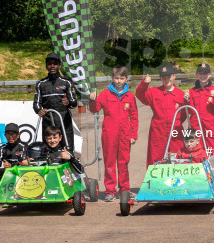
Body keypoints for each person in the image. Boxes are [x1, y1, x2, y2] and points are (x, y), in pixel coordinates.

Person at [89, 66, 139, 202]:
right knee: (109, 162)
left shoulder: (130, 95)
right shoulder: (105, 94)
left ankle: (125, 189)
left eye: (121, 78)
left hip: (125, 134)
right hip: (109, 133)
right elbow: (95, 109)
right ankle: (110, 190)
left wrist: (133, 134)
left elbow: (134, 116)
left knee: (124, 162)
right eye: (116, 78)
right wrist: (92, 100)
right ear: (112, 78)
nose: (118, 81)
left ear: (126, 79)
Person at [136, 64, 186, 166]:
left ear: (174, 76)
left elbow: (184, 114)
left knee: (177, 158)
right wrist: (144, 84)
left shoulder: (181, 94)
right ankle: (154, 181)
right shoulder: (154, 92)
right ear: (160, 78)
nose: (167, 79)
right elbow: (140, 95)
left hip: (175, 132)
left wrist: (176, 123)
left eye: (169, 77)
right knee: (155, 159)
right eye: (164, 77)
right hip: (158, 132)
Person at [33, 52, 79, 153]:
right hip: (48, 122)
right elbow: (36, 103)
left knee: (68, 150)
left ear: (60, 66)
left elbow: (74, 102)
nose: (52, 66)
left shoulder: (67, 82)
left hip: (64, 121)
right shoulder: (41, 83)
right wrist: (39, 110)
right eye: (49, 64)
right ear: (46, 66)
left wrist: (68, 102)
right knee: (48, 151)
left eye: (55, 63)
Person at [184, 62, 214, 174]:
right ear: (197, 74)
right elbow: (189, 111)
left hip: (210, 129)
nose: (203, 76)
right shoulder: (192, 91)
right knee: (197, 156)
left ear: (210, 74)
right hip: (196, 129)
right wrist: (187, 100)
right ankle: (199, 182)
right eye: (201, 73)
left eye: (205, 73)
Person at [0, 123, 29, 191]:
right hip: (8, 171)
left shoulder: (23, 146)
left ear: (18, 135)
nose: (11, 137)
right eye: (8, 134)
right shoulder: (2, 148)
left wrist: (11, 165)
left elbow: (24, 163)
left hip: (21, 173)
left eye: (13, 134)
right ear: (5, 135)